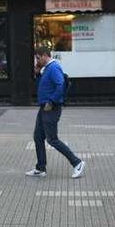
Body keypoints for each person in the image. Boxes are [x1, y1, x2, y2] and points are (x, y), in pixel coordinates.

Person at [25, 47, 85, 179]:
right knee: (38, 137)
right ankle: (40, 168)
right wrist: (38, 74)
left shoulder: (54, 68)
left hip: (51, 108)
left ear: (46, 55)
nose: (37, 60)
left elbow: (60, 85)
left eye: (38, 58)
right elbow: (44, 86)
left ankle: (77, 163)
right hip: (44, 107)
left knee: (52, 139)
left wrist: (51, 102)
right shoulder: (46, 69)